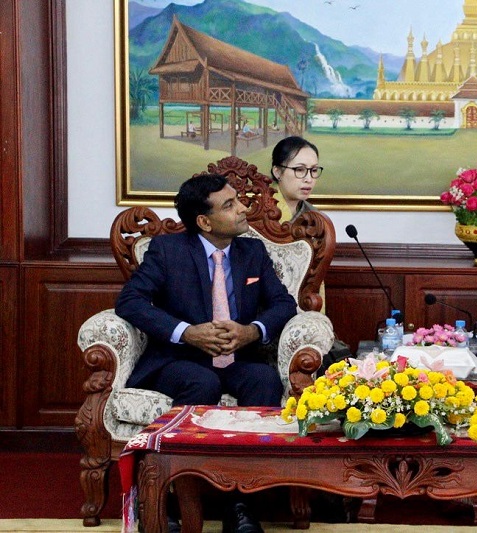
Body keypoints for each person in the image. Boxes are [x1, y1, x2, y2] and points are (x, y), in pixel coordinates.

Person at [116, 173, 298, 533]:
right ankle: (165, 497)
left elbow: (283, 304)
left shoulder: (253, 251)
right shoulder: (168, 251)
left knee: (263, 379)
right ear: (204, 220)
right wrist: (187, 333)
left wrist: (252, 331)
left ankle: (240, 504)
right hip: (180, 359)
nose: (243, 208)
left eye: (238, 200)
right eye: (230, 205)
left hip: (238, 360)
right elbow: (130, 301)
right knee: (200, 382)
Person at [270, 136, 323, 223]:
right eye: (299, 170)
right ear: (277, 172)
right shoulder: (256, 211)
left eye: (314, 170)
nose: (309, 179)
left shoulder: (315, 218)